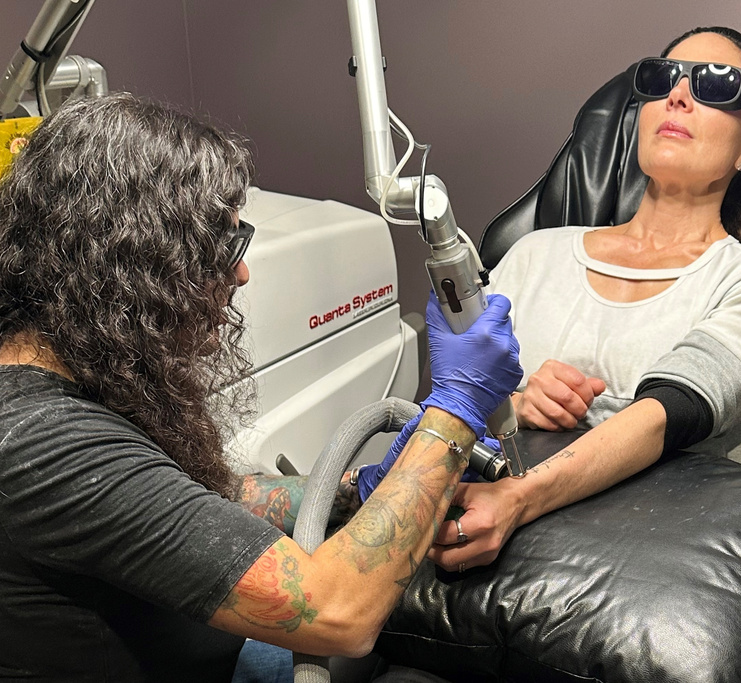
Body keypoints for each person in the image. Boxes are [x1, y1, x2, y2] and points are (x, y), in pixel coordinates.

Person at [0, 93, 522, 681]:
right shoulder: (44, 446)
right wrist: (454, 411)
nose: (243, 270)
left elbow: (193, 501)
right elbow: (337, 612)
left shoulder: (78, 373)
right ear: (136, 259)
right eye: (224, 244)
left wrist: (360, 491)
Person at [428, 27, 741, 571]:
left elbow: (667, 413)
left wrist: (519, 495)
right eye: (662, 78)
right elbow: (444, 407)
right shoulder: (533, 255)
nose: (678, 95)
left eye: (715, 85)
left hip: (641, 570)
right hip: (472, 548)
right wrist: (508, 409)